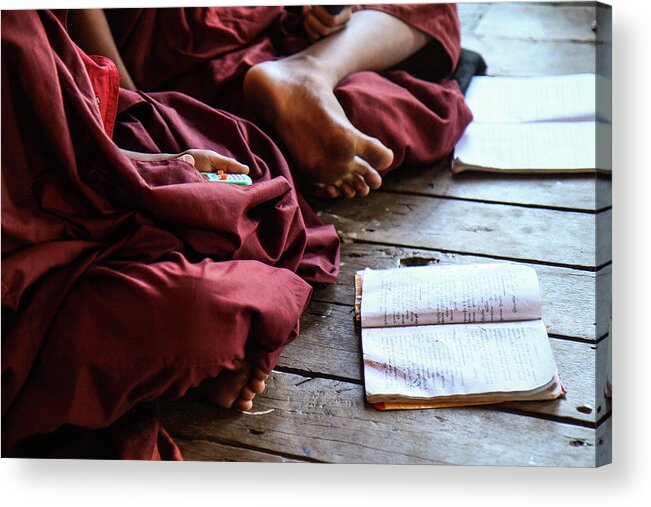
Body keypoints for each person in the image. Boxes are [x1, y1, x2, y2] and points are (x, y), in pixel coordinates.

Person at [1, 9, 339, 459]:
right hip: (26, 283)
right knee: (201, 309)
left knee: (247, 169)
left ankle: (311, 72)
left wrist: (159, 161)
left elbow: (65, 132)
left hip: (93, 171)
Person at [99, 5, 473, 199]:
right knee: (366, 111)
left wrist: (325, 11)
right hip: (173, 46)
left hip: (255, 26)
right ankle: (311, 76)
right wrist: (136, 106)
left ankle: (310, 72)